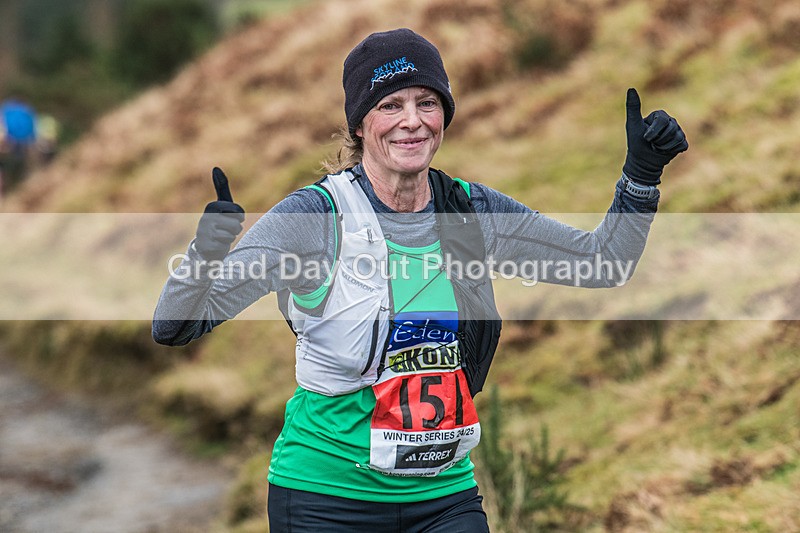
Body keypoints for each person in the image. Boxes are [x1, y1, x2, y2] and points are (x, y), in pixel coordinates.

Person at [153, 28, 687, 532]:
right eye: (390, 105)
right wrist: (206, 253)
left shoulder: (470, 212)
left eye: (426, 103)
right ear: (360, 125)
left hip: (443, 495)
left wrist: (641, 177)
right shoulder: (315, 220)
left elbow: (602, 263)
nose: (412, 120)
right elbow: (174, 327)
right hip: (325, 497)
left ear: (444, 116)